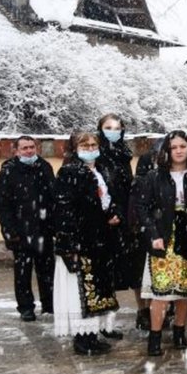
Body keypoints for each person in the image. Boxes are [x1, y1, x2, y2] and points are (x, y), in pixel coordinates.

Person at [51, 131, 121, 355]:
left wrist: (111, 214)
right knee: (80, 290)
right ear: (74, 148)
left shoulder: (99, 171)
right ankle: (82, 339)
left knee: (96, 289)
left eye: (93, 144)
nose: (90, 148)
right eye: (85, 145)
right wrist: (69, 242)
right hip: (80, 241)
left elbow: (103, 202)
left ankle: (92, 335)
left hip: (99, 240)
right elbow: (65, 210)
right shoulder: (70, 172)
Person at [134, 130, 187, 355]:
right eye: (174, 147)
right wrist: (153, 234)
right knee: (161, 290)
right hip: (163, 235)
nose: (179, 151)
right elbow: (141, 207)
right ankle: (155, 336)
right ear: (167, 151)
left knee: (186, 288)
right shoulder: (155, 176)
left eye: (183, 146)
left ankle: (180, 330)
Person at [0, 135, 55, 322]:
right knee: (23, 272)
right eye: (25, 148)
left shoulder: (44, 167)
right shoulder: (8, 172)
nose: (29, 151)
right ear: (16, 151)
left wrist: (54, 225)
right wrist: (9, 230)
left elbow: (52, 197)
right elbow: (1, 205)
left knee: (47, 270)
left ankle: (49, 304)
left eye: (31, 147)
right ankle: (26, 307)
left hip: (44, 230)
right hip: (21, 232)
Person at [98, 114, 143, 334]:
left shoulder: (124, 153)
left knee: (136, 269)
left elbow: (129, 187)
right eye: (108, 127)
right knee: (108, 273)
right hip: (105, 220)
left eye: (116, 127)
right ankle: (107, 322)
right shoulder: (95, 153)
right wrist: (108, 213)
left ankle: (143, 311)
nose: (112, 130)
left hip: (127, 218)